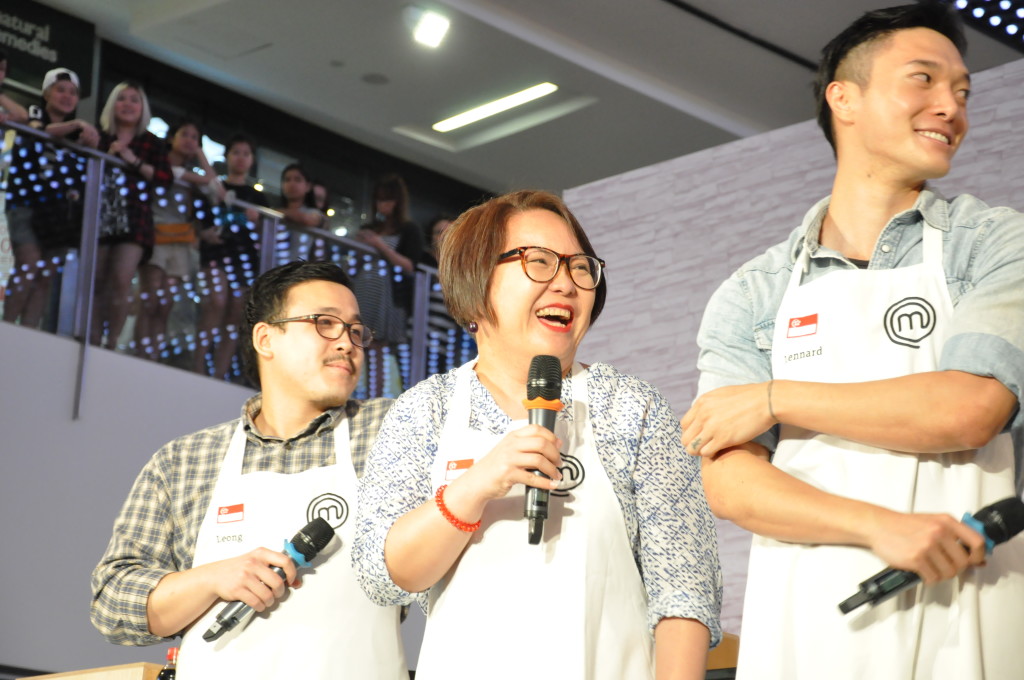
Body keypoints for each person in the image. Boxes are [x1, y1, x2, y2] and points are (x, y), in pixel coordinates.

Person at [682, 3, 1024, 678]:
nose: (951, 108)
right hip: (807, 618)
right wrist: (878, 526)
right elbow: (730, 482)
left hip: (966, 608)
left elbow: (967, 409)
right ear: (845, 97)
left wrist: (776, 399)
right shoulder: (754, 291)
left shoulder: (992, 242)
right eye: (923, 80)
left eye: (962, 92)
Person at [353, 190, 722, 680]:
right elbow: (386, 576)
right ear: (476, 281)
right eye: (541, 263)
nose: (567, 284)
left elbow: (685, 589)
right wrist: (477, 484)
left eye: (580, 267)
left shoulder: (631, 406)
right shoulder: (425, 409)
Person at [91, 260, 407, 679]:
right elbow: (112, 602)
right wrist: (210, 579)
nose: (347, 343)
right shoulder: (185, 461)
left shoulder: (396, 428)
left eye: (354, 330)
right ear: (265, 338)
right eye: (325, 323)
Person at [3, 66, 96, 328]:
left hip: (59, 213)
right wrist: (77, 125)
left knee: (45, 275)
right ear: (46, 93)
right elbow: (40, 129)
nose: (67, 96)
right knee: (28, 263)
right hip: (26, 203)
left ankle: (29, 332)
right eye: (60, 90)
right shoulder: (35, 112)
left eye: (73, 93)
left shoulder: (77, 135)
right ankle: (8, 326)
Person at [94, 81, 172, 348]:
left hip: (135, 220)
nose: (127, 104)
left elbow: (165, 178)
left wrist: (132, 159)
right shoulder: (100, 136)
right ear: (112, 104)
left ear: (143, 109)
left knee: (121, 279)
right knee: (97, 279)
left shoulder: (152, 143)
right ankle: (92, 336)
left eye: (134, 100)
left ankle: (112, 341)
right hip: (99, 216)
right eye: (122, 98)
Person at [135, 119, 222, 360]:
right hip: (155, 234)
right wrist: (201, 177)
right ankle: (139, 353)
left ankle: (152, 355)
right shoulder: (159, 165)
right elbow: (173, 175)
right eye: (185, 135)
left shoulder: (194, 176)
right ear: (172, 137)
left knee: (165, 305)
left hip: (179, 241)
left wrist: (202, 155)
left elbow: (217, 190)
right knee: (150, 299)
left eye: (195, 138)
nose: (189, 141)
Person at [194, 133, 268, 380]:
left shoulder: (257, 197)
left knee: (234, 314)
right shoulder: (214, 188)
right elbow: (200, 221)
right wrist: (205, 234)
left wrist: (256, 222)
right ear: (227, 156)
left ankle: (219, 372)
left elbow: (264, 234)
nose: (240, 158)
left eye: (246, 153)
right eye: (236, 152)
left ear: (252, 160)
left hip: (244, 261)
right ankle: (198, 363)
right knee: (215, 302)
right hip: (215, 253)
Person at [352, 173, 423, 395]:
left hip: (388, 297)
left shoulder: (408, 230)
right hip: (363, 291)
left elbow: (410, 265)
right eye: (379, 199)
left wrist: (378, 245)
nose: (383, 205)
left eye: (388, 200)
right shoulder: (370, 227)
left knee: (377, 347)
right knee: (356, 343)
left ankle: (374, 397)